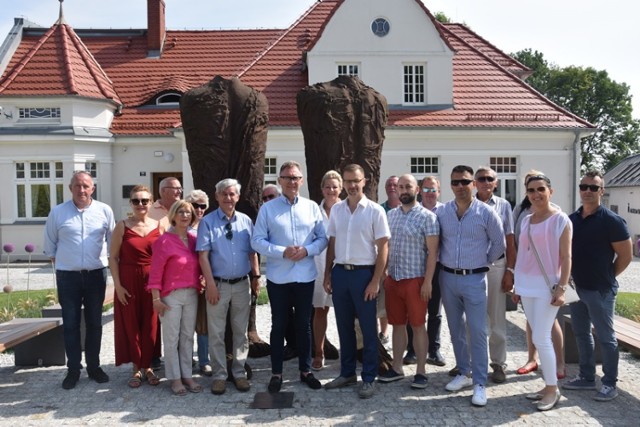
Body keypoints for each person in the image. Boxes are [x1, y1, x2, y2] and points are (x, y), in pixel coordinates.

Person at [252, 161, 328, 393]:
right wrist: (281, 251)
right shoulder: (268, 209)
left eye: (296, 178)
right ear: (280, 181)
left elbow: (323, 238)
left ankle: (305, 371)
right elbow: (257, 240)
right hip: (279, 278)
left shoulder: (312, 207)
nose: (292, 182)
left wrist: (307, 251)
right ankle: (276, 373)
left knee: (304, 325)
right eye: (287, 178)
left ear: (302, 181)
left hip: (305, 275)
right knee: (279, 325)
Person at [437, 165, 505, 407]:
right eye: (455, 182)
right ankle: (463, 372)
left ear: (473, 185)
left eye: (465, 182)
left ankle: (479, 382)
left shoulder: (486, 213)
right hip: (448, 277)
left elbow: (499, 243)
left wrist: (483, 261)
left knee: (477, 331)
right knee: (456, 329)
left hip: (475, 278)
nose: (460, 187)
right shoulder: (442, 211)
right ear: (450, 185)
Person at [563, 170, 633, 402]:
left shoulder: (612, 221)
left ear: (602, 191)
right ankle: (586, 377)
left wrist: (608, 277)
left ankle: (609, 383)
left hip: (600, 289)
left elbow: (625, 256)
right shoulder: (572, 219)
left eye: (593, 187)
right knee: (581, 333)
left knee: (606, 337)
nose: (588, 191)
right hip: (577, 288)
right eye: (584, 187)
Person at [324, 164, 390, 399]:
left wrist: (375, 280)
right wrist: (327, 274)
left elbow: (383, 247)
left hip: (364, 275)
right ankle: (347, 372)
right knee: (343, 327)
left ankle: (369, 378)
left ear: (365, 181)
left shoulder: (374, 211)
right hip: (341, 273)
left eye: (356, 181)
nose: (352, 185)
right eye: (348, 181)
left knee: (368, 329)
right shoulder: (338, 210)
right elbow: (332, 243)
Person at [44, 170, 115, 390]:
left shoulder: (104, 211)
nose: (81, 190)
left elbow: (113, 244)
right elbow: (51, 247)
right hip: (68, 277)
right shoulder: (57, 213)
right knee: (71, 324)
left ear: (93, 188)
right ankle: (73, 369)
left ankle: (94, 367)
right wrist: (69, 264)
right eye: (77, 186)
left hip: (96, 274)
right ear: (70, 188)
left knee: (95, 322)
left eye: (86, 186)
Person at [513, 173, 572, 411]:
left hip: (548, 286)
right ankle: (547, 384)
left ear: (550, 191)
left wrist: (562, 287)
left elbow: (566, 256)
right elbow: (523, 254)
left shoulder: (561, 220)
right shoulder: (526, 220)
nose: (536, 195)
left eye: (540, 189)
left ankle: (552, 389)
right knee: (538, 334)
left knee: (541, 337)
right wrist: (517, 282)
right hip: (526, 284)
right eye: (531, 191)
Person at [197, 179, 260, 395]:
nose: (228, 197)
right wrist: (211, 285)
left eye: (232, 194)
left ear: (238, 197)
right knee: (216, 332)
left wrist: (256, 276)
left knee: (240, 332)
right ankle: (219, 376)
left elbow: (253, 252)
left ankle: (239, 373)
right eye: (223, 194)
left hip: (242, 284)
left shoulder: (245, 221)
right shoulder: (207, 222)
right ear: (216, 197)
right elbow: (203, 256)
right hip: (219, 285)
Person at [377, 174, 439, 389]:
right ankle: (397, 367)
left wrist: (428, 281)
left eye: (407, 186)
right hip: (393, 279)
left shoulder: (427, 217)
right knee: (397, 325)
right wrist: (384, 275)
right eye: (400, 186)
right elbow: (385, 247)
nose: (403, 190)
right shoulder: (391, 215)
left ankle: (421, 371)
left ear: (417, 189)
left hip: (416, 280)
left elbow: (433, 253)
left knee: (419, 326)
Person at [147, 200, 203, 396]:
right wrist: (156, 299)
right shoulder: (164, 241)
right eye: (181, 212)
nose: (185, 216)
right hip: (170, 296)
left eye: (188, 212)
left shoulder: (195, 239)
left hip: (192, 294)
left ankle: (187, 374)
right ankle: (175, 378)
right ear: (173, 215)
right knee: (172, 338)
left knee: (188, 336)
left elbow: (200, 265)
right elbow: (155, 273)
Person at [109, 185, 162, 388]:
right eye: (136, 201)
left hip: (153, 282)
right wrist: (118, 286)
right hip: (128, 281)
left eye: (144, 201)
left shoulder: (159, 226)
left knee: (151, 325)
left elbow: (164, 258)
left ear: (150, 203)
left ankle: (148, 365)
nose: (140, 204)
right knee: (131, 325)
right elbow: (113, 258)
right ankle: (136, 367)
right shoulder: (122, 226)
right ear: (130, 203)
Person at [474, 166, 516, 384]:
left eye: (489, 179)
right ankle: (469, 362)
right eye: (481, 178)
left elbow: (509, 239)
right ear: (474, 182)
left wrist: (510, 270)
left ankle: (498, 363)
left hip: (496, 265)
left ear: (496, 183)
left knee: (497, 317)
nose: (485, 182)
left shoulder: (504, 205)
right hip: (471, 268)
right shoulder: (467, 204)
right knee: (470, 318)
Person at [312, 170, 343, 371]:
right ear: (322, 188)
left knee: (344, 313)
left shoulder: (347, 209)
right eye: (327, 186)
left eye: (334, 186)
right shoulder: (314, 211)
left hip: (342, 266)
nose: (331, 190)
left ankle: (347, 354)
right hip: (318, 265)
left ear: (340, 188)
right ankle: (319, 352)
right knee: (320, 311)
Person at [184, 189, 212, 377]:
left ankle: (204, 360)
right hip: (185, 279)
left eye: (203, 206)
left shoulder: (208, 225)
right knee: (185, 324)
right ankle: (186, 360)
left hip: (204, 279)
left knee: (203, 323)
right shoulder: (182, 227)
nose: (200, 209)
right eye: (196, 205)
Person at [377, 175, 400, 345]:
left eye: (395, 184)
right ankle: (383, 333)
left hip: (402, 262)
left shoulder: (407, 208)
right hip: (383, 262)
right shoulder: (379, 210)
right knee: (383, 300)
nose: (392, 187)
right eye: (389, 184)